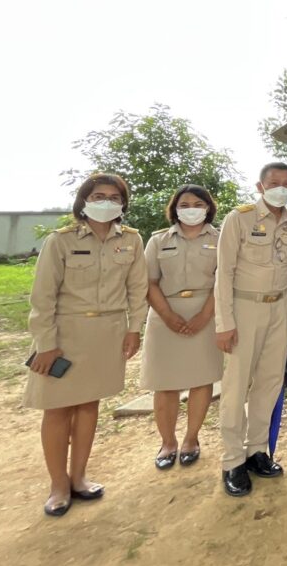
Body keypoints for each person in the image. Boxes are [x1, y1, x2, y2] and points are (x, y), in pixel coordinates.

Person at [24, 173, 147, 517]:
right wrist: (46, 343)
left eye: (114, 197)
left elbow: (137, 289)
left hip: (108, 332)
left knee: (89, 405)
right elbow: (43, 296)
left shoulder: (131, 240)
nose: (107, 202)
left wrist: (134, 329)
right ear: (84, 201)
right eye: (99, 196)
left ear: (123, 204)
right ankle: (58, 485)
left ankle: (79, 477)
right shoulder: (60, 240)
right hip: (65, 334)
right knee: (57, 408)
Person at [214, 162, 287, 497]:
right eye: (274, 182)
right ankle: (232, 460)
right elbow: (224, 273)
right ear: (260, 186)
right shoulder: (239, 218)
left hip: (280, 308)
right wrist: (224, 322)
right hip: (244, 307)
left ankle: (256, 451)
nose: (281, 188)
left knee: (269, 383)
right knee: (236, 386)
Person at [140, 185, 223, 470]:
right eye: (184, 204)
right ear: (174, 208)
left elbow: (223, 280)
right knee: (165, 383)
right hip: (165, 315)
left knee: (202, 379)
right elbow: (148, 281)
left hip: (207, 313)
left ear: (208, 208)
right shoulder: (158, 240)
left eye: (198, 204)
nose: (191, 209)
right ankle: (168, 442)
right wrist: (167, 314)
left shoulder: (220, 239)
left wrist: (204, 316)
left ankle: (191, 439)